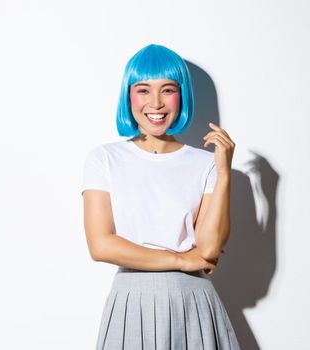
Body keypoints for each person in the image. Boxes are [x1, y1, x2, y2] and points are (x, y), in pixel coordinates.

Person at [81, 44, 240, 349]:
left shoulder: (205, 163)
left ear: (182, 96)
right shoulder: (104, 159)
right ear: (129, 97)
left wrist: (224, 174)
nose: (156, 103)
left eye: (168, 90)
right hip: (132, 300)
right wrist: (181, 260)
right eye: (143, 90)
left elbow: (208, 248)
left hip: (193, 302)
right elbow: (101, 245)